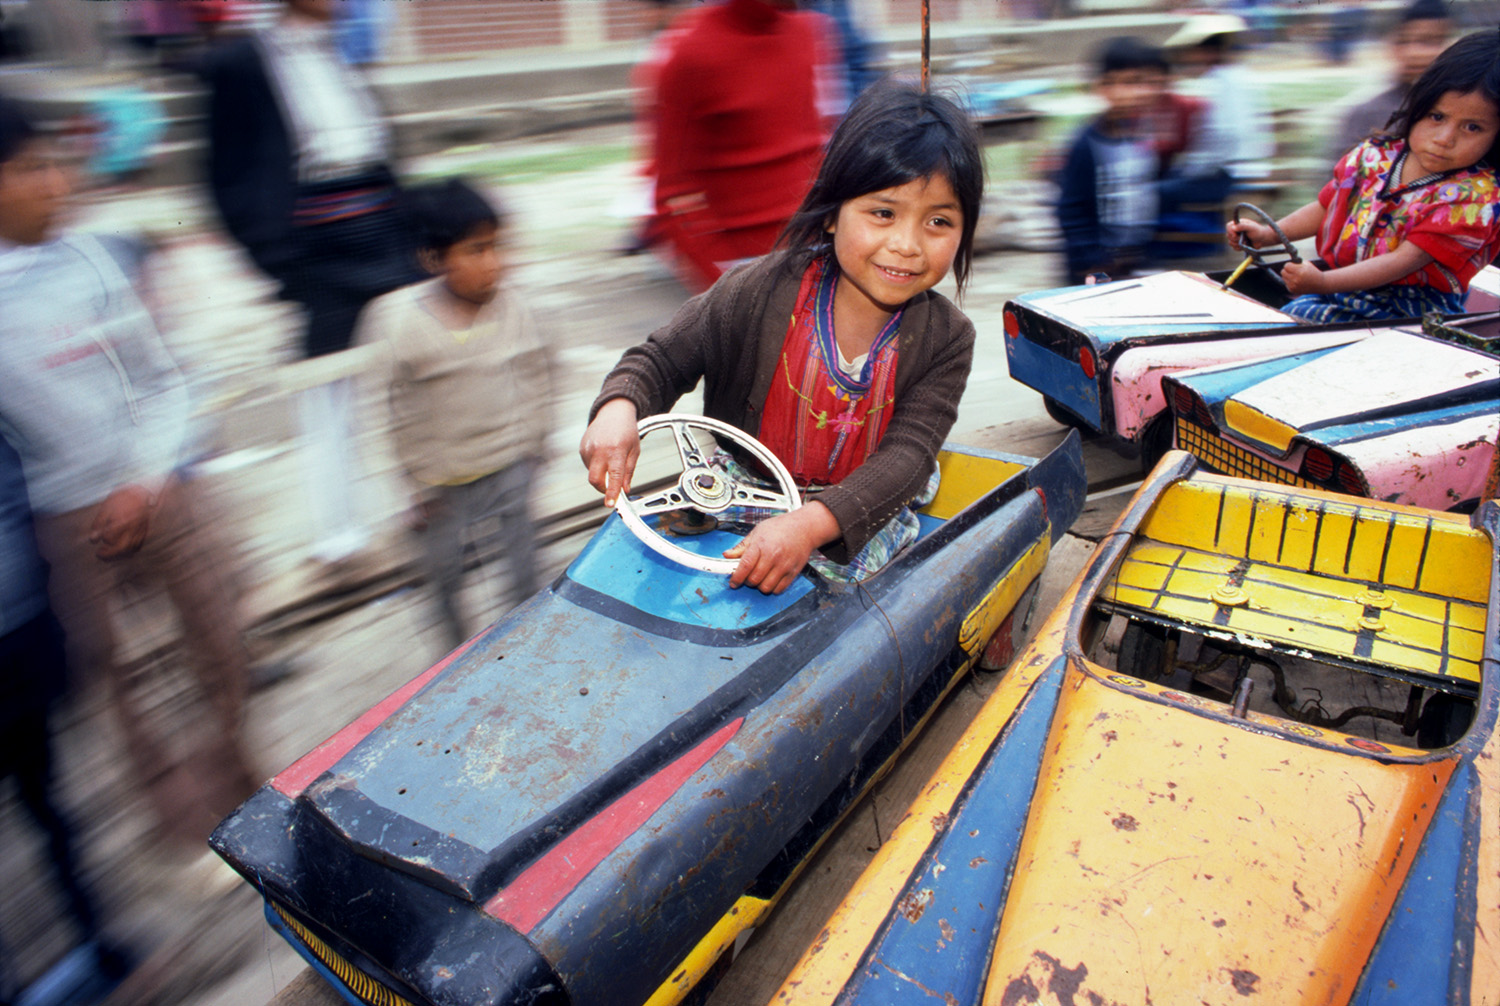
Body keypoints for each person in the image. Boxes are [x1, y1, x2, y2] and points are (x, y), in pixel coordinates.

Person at [580, 81, 983, 595]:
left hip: (851, 515)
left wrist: (807, 525)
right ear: (833, 214)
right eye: (883, 213)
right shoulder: (755, 291)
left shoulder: (947, 339)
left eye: (939, 221)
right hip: (736, 489)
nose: (906, 244)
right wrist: (618, 408)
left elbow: (906, 460)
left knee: (844, 615)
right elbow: (659, 359)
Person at [0, 93, 258, 847]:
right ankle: (177, 823)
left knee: (220, 636)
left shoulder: (91, 260)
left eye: (56, 164)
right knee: (115, 679)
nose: (57, 183)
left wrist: (145, 479)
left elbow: (165, 378)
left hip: (161, 489)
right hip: (66, 519)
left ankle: (238, 781)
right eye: (31, 170)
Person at [198, 0, 421, 564]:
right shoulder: (240, 61)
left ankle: (418, 501)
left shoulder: (346, 45)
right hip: (316, 252)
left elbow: (375, 148)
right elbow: (226, 178)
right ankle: (339, 534)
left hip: (381, 234)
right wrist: (280, 260)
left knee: (410, 373)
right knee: (327, 392)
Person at [360, 179, 554, 649]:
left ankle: (521, 656)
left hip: (508, 470)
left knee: (523, 576)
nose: (495, 264)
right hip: (438, 491)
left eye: (497, 246)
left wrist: (532, 447)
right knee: (444, 584)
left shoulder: (516, 310)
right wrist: (405, 489)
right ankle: (452, 668)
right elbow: (374, 411)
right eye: (476, 250)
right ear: (433, 259)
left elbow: (538, 377)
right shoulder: (395, 322)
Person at [1226, 30, 1500, 322]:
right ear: (1419, 104)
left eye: (1472, 127)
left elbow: (1403, 262)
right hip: (1344, 286)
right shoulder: (1376, 156)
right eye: (1437, 116)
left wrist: (1323, 283)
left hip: (1408, 307)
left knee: (1292, 318)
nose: (1445, 138)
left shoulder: (1473, 200)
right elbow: (1327, 207)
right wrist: (1270, 234)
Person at [647, 0, 840, 292]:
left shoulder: (811, 31)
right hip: (747, 271)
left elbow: (818, 146)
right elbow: (671, 198)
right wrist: (725, 291)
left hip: (820, 254)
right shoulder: (692, 53)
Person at [1056, 36, 1162, 284]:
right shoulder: (1086, 145)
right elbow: (1071, 211)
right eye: (1119, 83)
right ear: (1101, 87)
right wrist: (1092, 263)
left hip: (1134, 260)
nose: (1129, 93)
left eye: (1136, 82)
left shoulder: (1139, 138)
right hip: (1097, 266)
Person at [1327, 0, 1454, 161]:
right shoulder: (1365, 115)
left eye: (1429, 42)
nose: (1413, 53)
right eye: (1403, 41)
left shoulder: (1462, 111)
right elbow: (1339, 180)